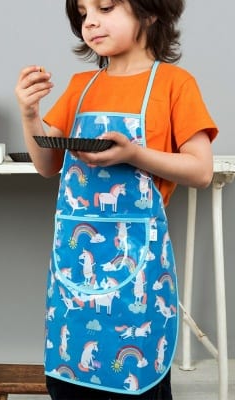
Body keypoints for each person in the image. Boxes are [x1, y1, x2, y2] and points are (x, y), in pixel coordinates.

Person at [15, 0, 218, 399]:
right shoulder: (80, 87)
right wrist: (29, 113)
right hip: (75, 270)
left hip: (137, 268)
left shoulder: (174, 84)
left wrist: (134, 154)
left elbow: (201, 171)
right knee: (70, 386)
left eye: (105, 7)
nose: (90, 22)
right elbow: (46, 163)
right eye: (83, 14)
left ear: (151, 11)